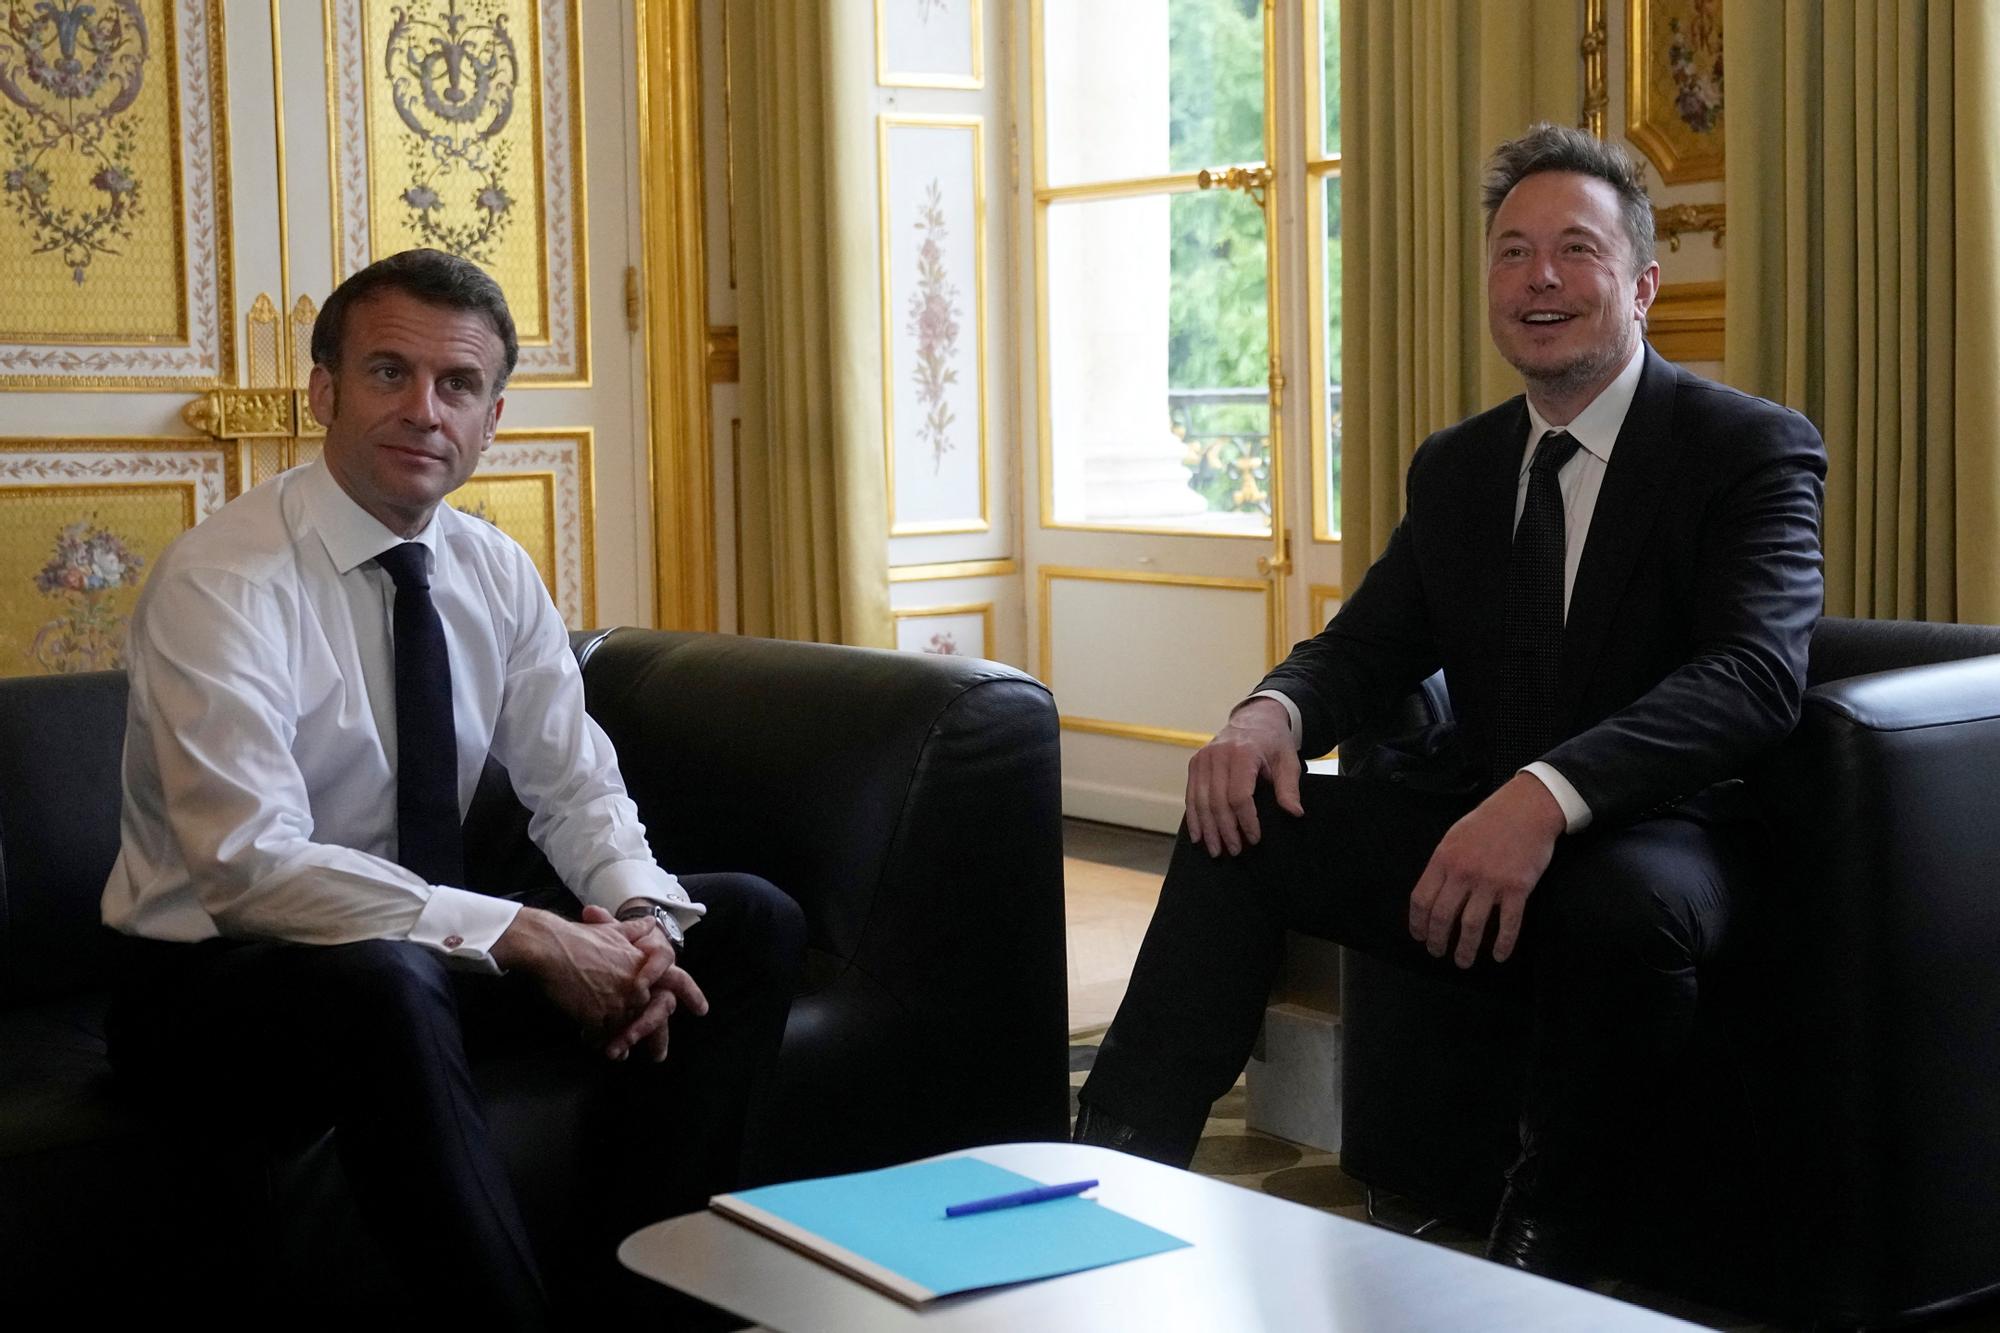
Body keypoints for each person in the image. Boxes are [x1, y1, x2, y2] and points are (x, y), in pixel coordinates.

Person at [1073, 124, 1826, 1282]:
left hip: (1662, 831)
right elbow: (1367, 647)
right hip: (1477, 814)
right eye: (1510, 253)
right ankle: (1110, 1177)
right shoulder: (1460, 467)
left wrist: (1545, 795)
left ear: (1639, 284)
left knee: (1610, 910)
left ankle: (1542, 1259)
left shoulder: (1744, 448)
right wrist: (1267, 712)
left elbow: (1751, 677)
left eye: (1572, 251)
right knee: (1237, 827)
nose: (1537, 280)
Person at [101, 248, 805, 1327]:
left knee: (740, 921)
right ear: (323, 391)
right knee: (390, 979)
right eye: (389, 373)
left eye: (458, 386)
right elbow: (248, 869)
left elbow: (576, 788)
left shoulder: (491, 568)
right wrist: (524, 932)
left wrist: (640, 919)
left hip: (420, 959)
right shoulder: (220, 581)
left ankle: (638, 1305)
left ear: (492, 418)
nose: (424, 410)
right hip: (215, 986)